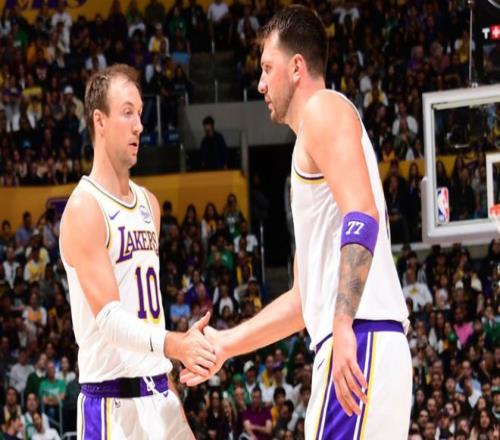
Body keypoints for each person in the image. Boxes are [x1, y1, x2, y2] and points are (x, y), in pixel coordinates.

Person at [181, 6, 411, 439]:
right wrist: (225, 343)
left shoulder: (323, 109)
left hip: (360, 335)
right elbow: (303, 302)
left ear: (297, 67)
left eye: (268, 68)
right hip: (361, 337)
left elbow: (362, 213)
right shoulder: (310, 144)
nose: (261, 83)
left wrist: (343, 323)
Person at [59, 64, 215, 438]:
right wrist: (176, 343)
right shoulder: (85, 207)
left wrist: (171, 396)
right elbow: (111, 320)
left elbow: (150, 314)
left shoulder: (149, 204)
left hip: (158, 393)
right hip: (111, 404)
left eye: (140, 114)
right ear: (99, 120)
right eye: (127, 112)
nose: (139, 126)